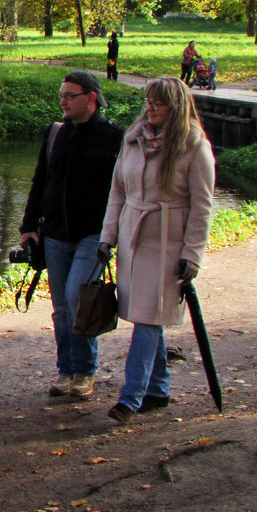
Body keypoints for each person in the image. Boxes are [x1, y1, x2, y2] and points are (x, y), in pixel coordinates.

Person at [97, 78, 214, 424]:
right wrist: (108, 237)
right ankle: (159, 389)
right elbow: (117, 191)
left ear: (176, 106)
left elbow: (202, 206)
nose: (151, 107)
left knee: (149, 320)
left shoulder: (194, 146)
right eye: (149, 100)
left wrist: (192, 254)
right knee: (148, 315)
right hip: (134, 238)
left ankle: (130, 398)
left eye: (159, 102)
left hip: (167, 242)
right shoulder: (133, 139)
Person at [19, 70, 124, 400]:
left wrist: (117, 231)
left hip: (94, 235)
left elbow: (124, 189)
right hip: (55, 234)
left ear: (91, 98)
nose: (62, 101)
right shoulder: (55, 134)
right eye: (61, 95)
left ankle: (85, 371)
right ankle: (66, 371)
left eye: (69, 95)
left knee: (79, 302)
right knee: (62, 308)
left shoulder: (114, 138)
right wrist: (28, 227)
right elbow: (40, 181)